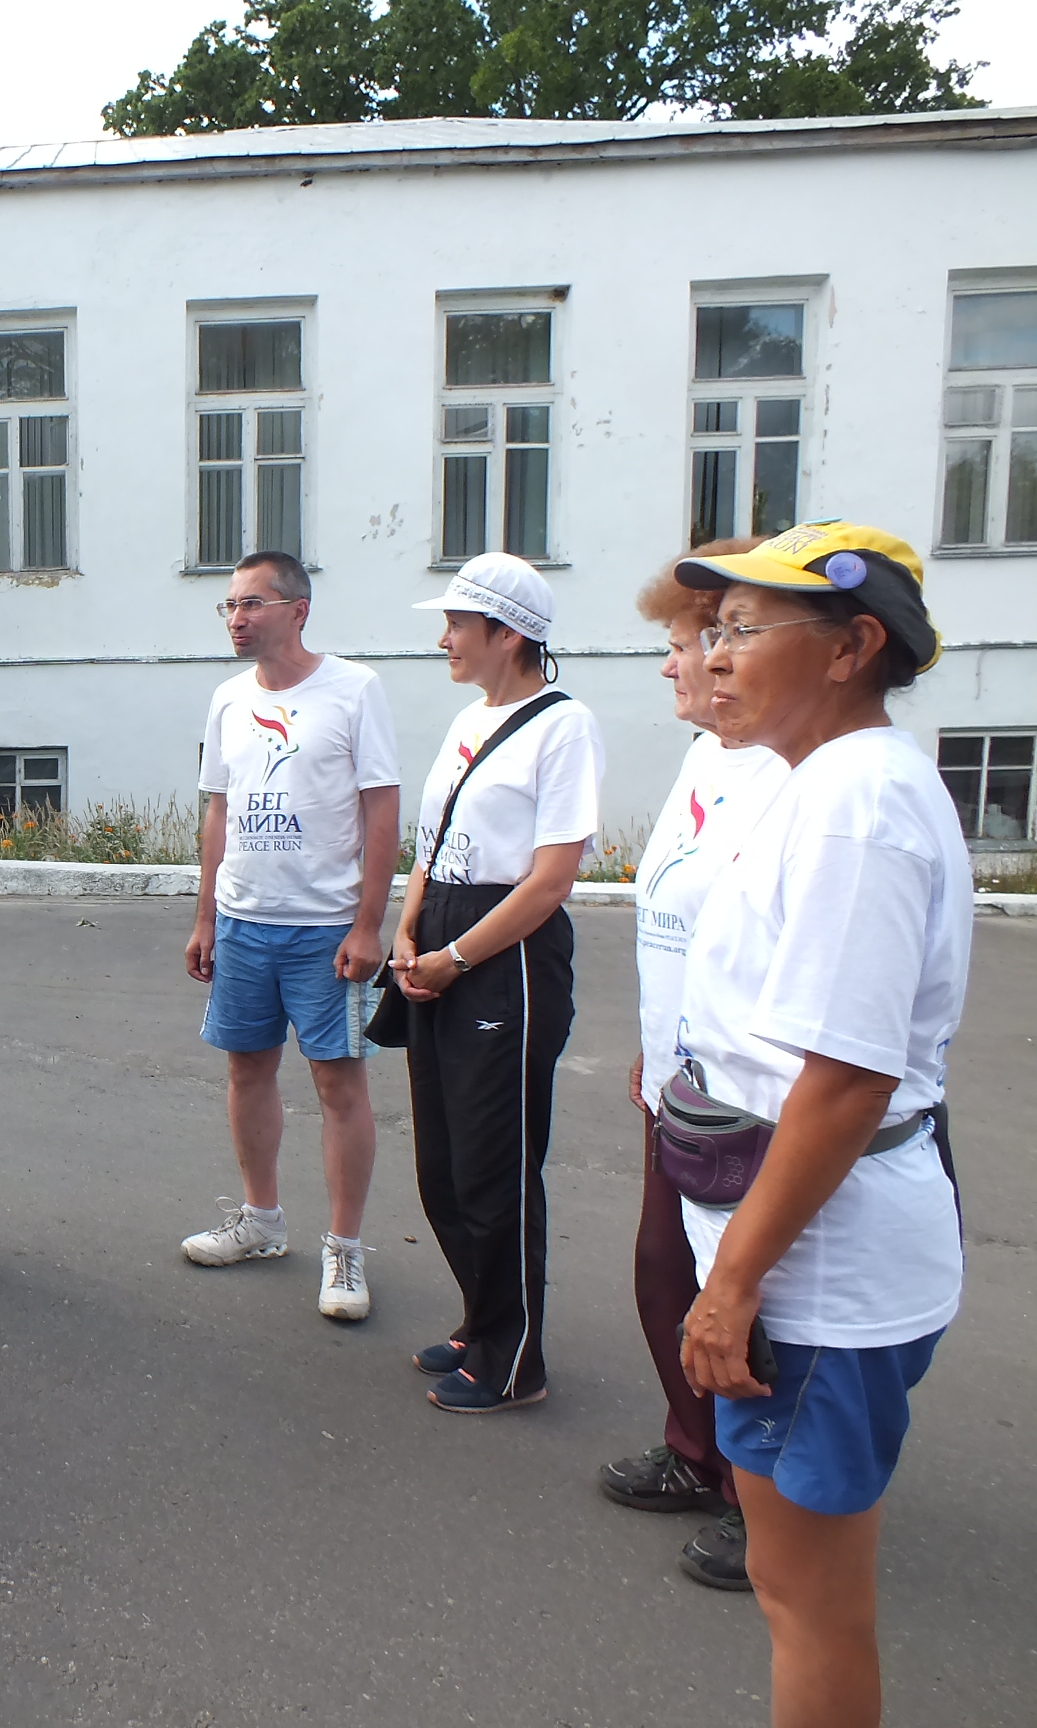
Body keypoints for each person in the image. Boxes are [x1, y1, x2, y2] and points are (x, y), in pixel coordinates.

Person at [671, 523, 967, 1728]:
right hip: (802, 1248)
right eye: (713, 631)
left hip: (815, 1273)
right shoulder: (819, 783)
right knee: (800, 1586)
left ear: (851, 647)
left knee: (806, 1598)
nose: (715, 655)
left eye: (745, 630)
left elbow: (847, 1081)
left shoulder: (855, 805)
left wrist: (732, 1284)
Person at [599, 538, 791, 1589]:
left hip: (754, 1096)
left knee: (753, 1294)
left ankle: (764, 1505)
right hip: (681, 1081)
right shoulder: (704, 758)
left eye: (687, 641)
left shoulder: (791, 769)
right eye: (678, 643)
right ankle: (696, 1450)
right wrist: (656, 1039)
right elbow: (677, 914)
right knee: (668, 1270)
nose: (676, 665)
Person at [392, 552, 604, 1413]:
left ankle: (515, 1358)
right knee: (442, 1165)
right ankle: (481, 1319)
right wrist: (407, 929)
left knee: (496, 1167)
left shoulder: (564, 725)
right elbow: (432, 841)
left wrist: (455, 957)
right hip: (440, 933)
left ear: (507, 632)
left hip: (503, 961)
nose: (445, 638)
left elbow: (549, 879)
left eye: (457, 623)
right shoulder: (467, 719)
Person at [180, 549, 401, 1322]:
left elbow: (381, 808)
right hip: (244, 922)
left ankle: (344, 1251)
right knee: (247, 1072)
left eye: (252, 604)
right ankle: (262, 1220)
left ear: (297, 610)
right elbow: (219, 810)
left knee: (339, 1084)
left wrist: (370, 922)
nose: (237, 619)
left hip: (326, 930)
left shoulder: (354, 690)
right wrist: (206, 914)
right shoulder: (227, 699)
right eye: (229, 606)